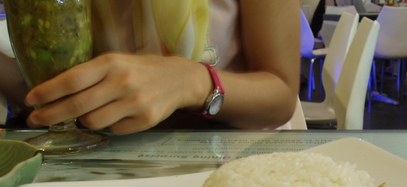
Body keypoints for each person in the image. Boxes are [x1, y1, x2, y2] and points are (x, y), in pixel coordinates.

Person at [0, 0, 300, 133]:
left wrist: (191, 81)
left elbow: (281, 95)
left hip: (237, 159)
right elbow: (47, 94)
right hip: (109, 164)